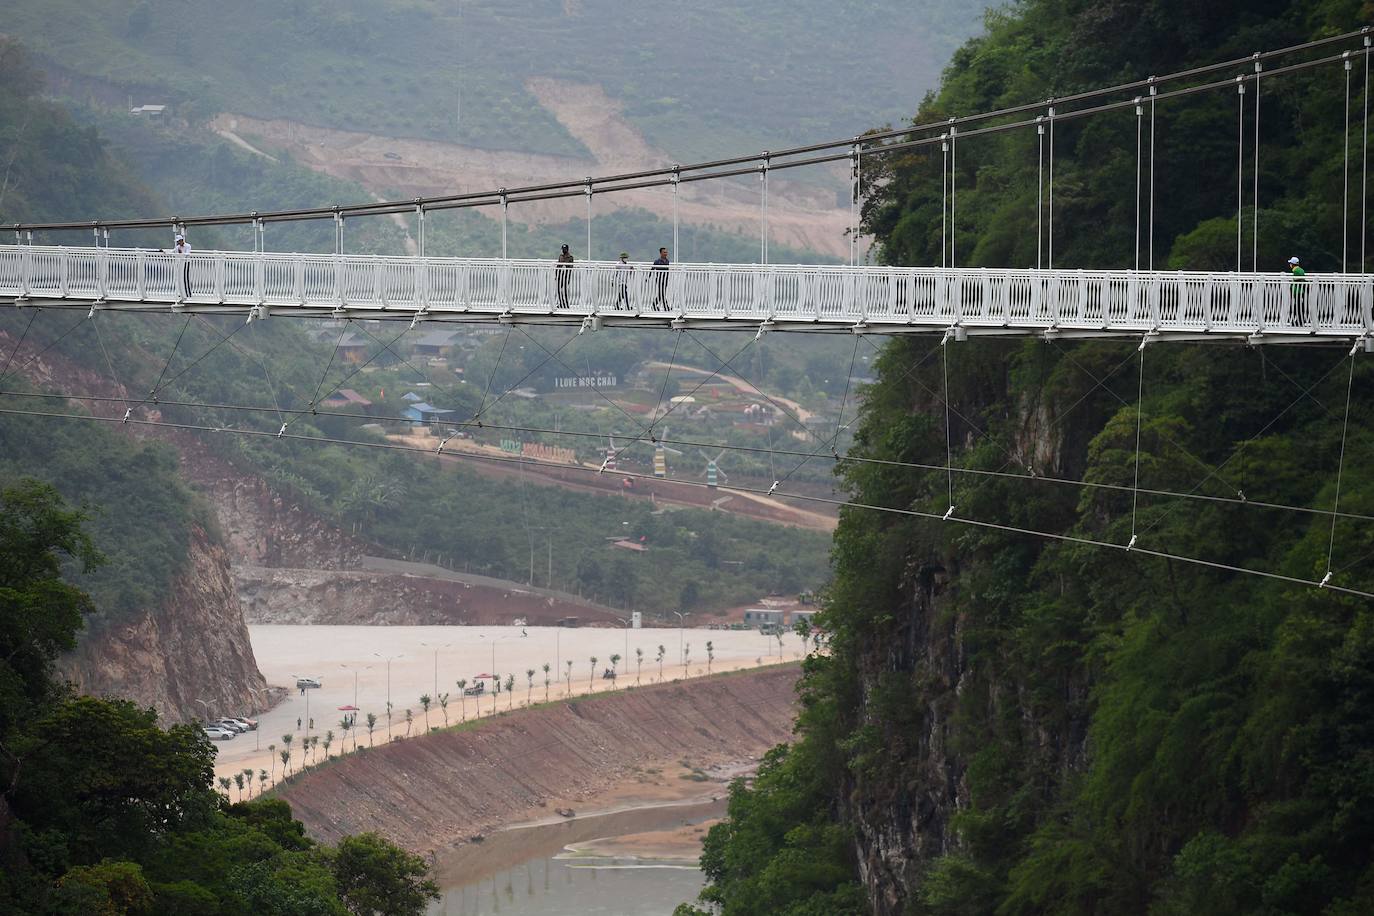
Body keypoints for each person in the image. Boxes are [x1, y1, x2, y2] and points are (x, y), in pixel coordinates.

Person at [1287, 256, 1307, 325]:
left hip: (1296, 291)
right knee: (1300, 305)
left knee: (1297, 306)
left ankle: (1298, 321)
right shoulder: (1301, 270)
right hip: (1301, 290)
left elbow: (1297, 280)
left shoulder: (1295, 271)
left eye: (1290, 263)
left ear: (1292, 264)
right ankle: (1300, 320)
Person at [556, 244, 574, 308]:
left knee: (565, 290)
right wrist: (556, 274)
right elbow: (558, 266)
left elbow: (570, 267)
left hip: (566, 276)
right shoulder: (560, 256)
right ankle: (561, 303)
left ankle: (566, 304)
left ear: (567, 249)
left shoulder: (570, 257)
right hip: (560, 275)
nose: (563, 250)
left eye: (565, 249)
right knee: (558, 290)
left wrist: (565, 266)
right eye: (563, 249)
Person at [174, 233, 192, 299]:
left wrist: (181, 253)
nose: (178, 243)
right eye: (177, 242)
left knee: (185, 278)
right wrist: (164, 252)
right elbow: (172, 251)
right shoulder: (177, 247)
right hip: (180, 263)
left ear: (182, 240)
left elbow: (187, 253)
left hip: (186, 263)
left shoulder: (188, 246)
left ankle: (188, 293)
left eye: (179, 241)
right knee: (180, 277)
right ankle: (182, 293)